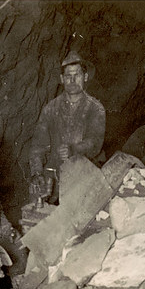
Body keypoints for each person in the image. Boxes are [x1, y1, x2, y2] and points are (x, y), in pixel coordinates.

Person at [29, 51, 106, 203]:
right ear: (62, 79)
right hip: (53, 174)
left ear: (85, 77)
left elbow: (95, 143)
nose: (72, 80)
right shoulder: (50, 109)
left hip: (83, 174)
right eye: (68, 76)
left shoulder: (95, 109)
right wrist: (37, 173)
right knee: (38, 211)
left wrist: (73, 149)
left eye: (77, 75)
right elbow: (38, 146)